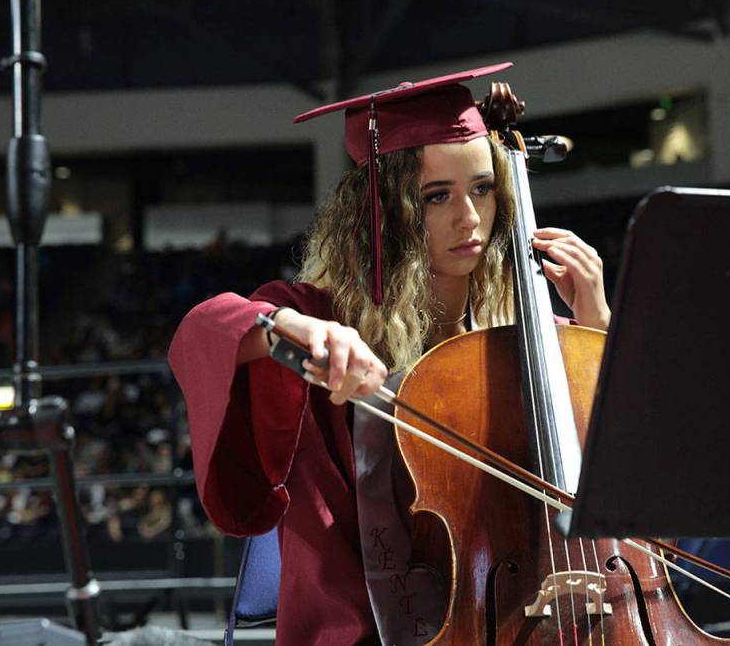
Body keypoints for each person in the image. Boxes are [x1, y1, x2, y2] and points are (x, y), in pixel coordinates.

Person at [168, 63, 611, 645]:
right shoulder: (321, 316)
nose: (469, 218)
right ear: (383, 214)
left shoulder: (528, 333)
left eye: (482, 188)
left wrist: (597, 324)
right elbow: (202, 330)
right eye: (436, 197)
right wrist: (290, 327)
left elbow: (624, 467)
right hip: (358, 624)